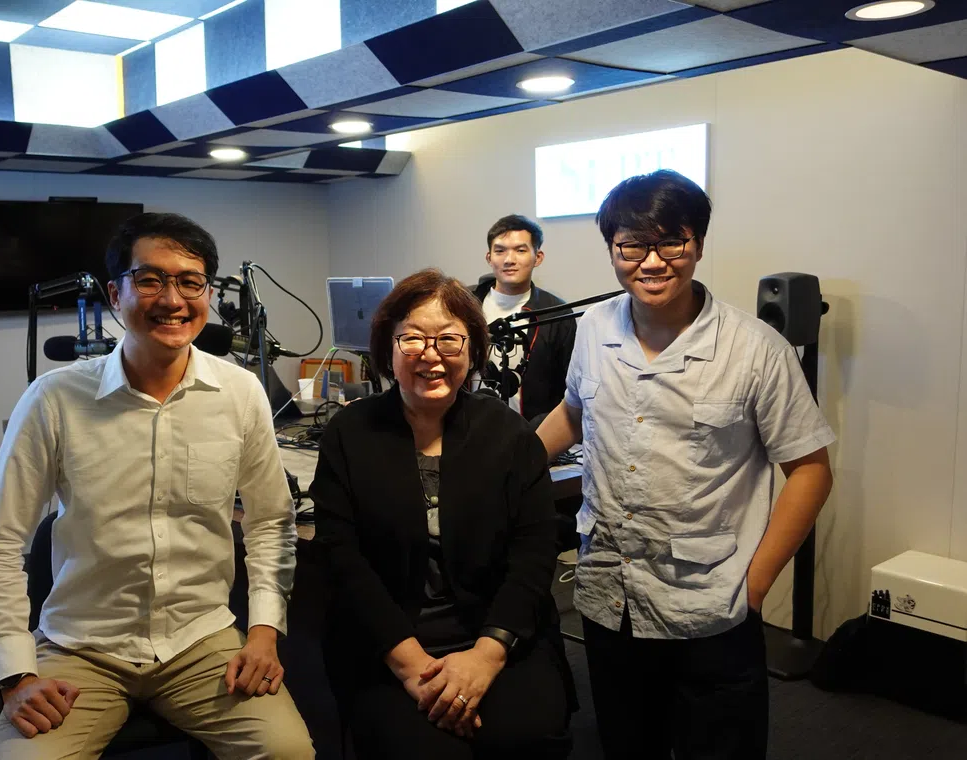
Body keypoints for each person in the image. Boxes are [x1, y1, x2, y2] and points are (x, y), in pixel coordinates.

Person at [0, 212, 314, 760]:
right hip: (82, 646)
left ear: (205, 293)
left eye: (189, 281)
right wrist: (13, 673)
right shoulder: (54, 400)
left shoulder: (240, 393)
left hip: (202, 639)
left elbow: (271, 520)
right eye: (149, 280)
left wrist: (264, 630)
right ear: (115, 293)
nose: (171, 299)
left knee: (287, 752)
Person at [537, 170, 835, 759]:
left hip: (711, 607)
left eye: (671, 241)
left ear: (697, 244)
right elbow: (571, 412)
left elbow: (811, 470)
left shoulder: (756, 349)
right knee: (628, 745)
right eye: (631, 245)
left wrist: (755, 584)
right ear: (612, 250)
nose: (651, 261)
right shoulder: (594, 329)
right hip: (608, 596)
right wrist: (500, 466)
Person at [311, 268, 575, 760]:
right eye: (412, 339)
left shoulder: (508, 434)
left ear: (473, 351)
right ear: (387, 348)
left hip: (496, 633)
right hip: (389, 640)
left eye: (449, 341)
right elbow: (342, 558)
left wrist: (487, 654)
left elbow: (535, 553)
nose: (430, 356)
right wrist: (410, 664)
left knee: (527, 736)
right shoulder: (350, 433)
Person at [472, 214, 576, 425]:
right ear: (489, 257)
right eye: (500, 251)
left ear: (537, 257)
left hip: (530, 434)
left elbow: (569, 388)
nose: (509, 260)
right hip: (467, 430)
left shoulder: (557, 313)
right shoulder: (465, 304)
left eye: (520, 250)